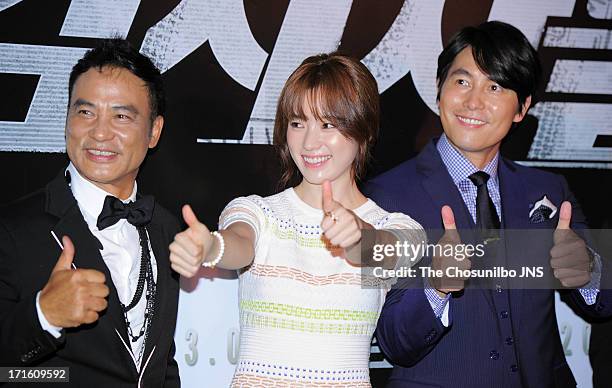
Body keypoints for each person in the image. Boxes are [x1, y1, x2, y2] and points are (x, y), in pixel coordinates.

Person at [365, 21, 612, 387]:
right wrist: (435, 286)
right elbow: (395, 343)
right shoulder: (383, 197)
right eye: (462, 81)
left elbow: (604, 303)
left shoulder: (547, 190)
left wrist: (588, 271)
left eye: (494, 86)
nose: (473, 101)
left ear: (521, 108)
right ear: (439, 89)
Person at [169, 53, 425, 387]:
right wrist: (210, 248)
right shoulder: (258, 212)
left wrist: (359, 237)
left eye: (328, 124)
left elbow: (390, 251)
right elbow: (239, 243)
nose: (308, 142)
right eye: (297, 122)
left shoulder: (398, 226)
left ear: (363, 129)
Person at [0, 39, 180, 387]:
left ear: (153, 131)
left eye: (121, 116)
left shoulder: (166, 229)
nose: (99, 132)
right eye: (85, 112)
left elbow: (157, 365)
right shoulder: (12, 231)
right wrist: (43, 315)